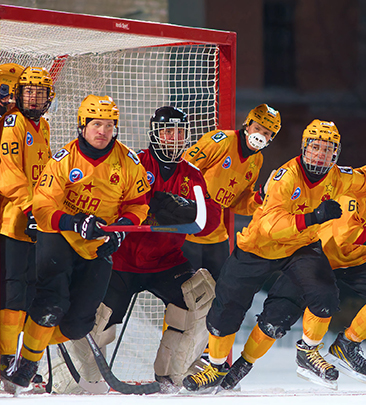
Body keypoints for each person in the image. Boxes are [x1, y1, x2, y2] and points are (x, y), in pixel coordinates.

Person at [182, 119, 366, 393]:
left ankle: (308, 352)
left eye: (327, 150)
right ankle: (215, 365)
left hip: (301, 247)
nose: (321, 155)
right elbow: (270, 226)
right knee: (228, 308)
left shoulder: (340, 176)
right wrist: (313, 217)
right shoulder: (285, 176)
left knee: (324, 294)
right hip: (260, 246)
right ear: (304, 148)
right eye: (315, 147)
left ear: (336, 153)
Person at [49, 106, 221, 394]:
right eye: (167, 131)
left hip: (167, 262)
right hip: (120, 261)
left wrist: (188, 211)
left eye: (179, 131)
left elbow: (209, 220)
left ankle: (172, 377)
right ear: (154, 134)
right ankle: (80, 379)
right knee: (92, 320)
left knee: (202, 298)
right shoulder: (134, 162)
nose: (174, 137)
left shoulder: (192, 174)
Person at [7, 94, 150, 390]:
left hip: (96, 246)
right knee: (52, 301)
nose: (103, 131)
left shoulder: (128, 162)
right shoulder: (64, 160)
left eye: (109, 125)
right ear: (82, 126)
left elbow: (138, 205)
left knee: (78, 325)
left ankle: (35, 332)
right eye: (97, 124)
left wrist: (120, 230)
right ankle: (27, 364)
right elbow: (43, 206)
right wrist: (75, 222)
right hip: (60, 237)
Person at [221, 191, 366, 390]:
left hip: (355, 262)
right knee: (275, 319)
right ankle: (243, 364)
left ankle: (347, 345)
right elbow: (345, 234)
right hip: (318, 255)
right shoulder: (356, 186)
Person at [182, 104, 281, 281]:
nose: (260, 135)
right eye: (257, 128)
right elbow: (183, 167)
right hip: (188, 228)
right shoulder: (222, 141)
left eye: (266, 133)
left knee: (219, 292)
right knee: (184, 294)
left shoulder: (257, 160)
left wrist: (262, 195)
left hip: (215, 235)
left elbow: (238, 204)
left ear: (271, 138)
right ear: (248, 124)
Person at [0, 66, 54, 385]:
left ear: (49, 98)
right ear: (19, 94)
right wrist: (32, 206)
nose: (33, 97)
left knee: (33, 293)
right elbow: (7, 173)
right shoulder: (13, 123)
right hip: (13, 221)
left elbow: (47, 175)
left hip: (37, 223)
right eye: (28, 91)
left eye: (40, 92)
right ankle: (6, 357)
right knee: (13, 291)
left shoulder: (43, 126)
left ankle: (19, 361)